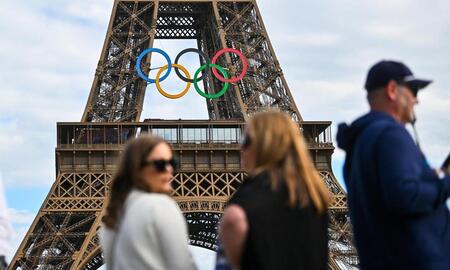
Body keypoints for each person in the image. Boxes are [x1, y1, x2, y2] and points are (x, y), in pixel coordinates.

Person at [337, 60, 450, 269]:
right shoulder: (391, 134)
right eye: (413, 90)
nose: (417, 100)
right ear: (392, 90)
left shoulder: (360, 141)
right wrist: (444, 183)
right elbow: (403, 196)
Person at [219, 111, 331, 270]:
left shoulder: (242, 208)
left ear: (264, 145)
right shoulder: (316, 200)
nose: (240, 146)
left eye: (245, 140)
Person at [99, 134, 197, 270]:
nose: (169, 170)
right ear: (137, 168)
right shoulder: (160, 206)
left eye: (173, 163)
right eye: (160, 164)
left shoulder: (111, 222)